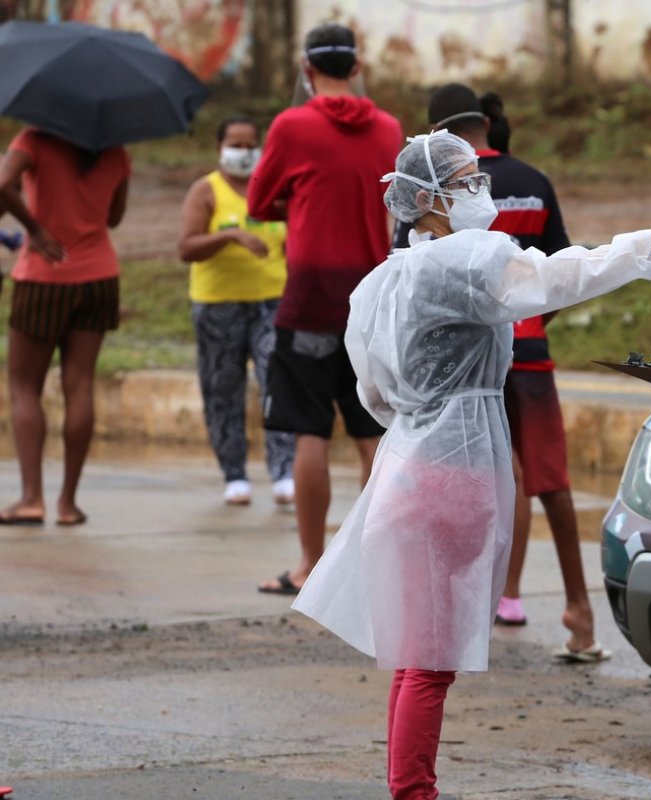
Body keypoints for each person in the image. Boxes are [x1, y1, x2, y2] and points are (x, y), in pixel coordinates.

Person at [292, 129, 651, 799]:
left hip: (409, 461)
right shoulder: (463, 261)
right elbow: (558, 276)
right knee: (431, 661)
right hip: (454, 467)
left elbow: (372, 391)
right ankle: (413, 791)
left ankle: (410, 786)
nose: (480, 190)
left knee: (417, 656)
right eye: (467, 181)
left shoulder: (388, 278)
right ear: (429, 199)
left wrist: (423, 418)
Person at [406, 83, 603, 659]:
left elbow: (411, 276)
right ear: (485, 123)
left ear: (437, 133)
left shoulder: (431, 191)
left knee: (471, 480)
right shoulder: (534, 182)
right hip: (531, 348)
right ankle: (579, 613)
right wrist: (531, 320)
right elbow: (563, 269)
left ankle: (470, 607)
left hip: (463, 363)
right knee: (551, 478)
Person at [247, 23, 403, 595]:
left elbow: (260, 200)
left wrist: (304, 193)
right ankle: (366, 561)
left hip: (310, 297)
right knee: (371, 432)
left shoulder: (292, 125)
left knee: (309, 430)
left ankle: (310, 565)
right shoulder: (388, 127)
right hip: (370, 299)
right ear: (356, 68)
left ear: (306, 70)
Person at [0, 129, 130, 526]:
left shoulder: (34, 140)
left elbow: (2, 184)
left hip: (43, 275)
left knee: (24, 387)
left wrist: (36, 229)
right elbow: (114, 217)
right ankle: (68, 504)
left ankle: (31, 498)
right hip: (99, 276)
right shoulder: (115, 150)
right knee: (80, 383)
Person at [178, 115, 295, 507]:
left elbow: (294, 239)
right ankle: (235, 474)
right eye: (235, 144)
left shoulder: (274, 189)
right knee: (222, 390)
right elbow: (186, 247)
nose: (243, 153)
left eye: (250, 145)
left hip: (271, 302)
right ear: (219, 148)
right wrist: (230, 236)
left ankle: (283, 471)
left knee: (276, 383)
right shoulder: (206, 191)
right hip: (218, 306)